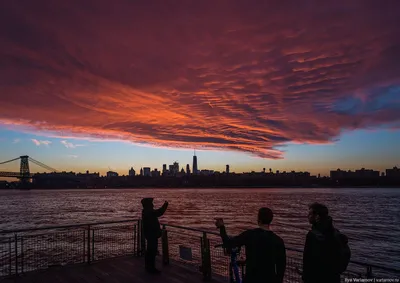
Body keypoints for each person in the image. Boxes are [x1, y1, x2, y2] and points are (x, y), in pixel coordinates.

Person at [215, 207, 286, 283]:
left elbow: (228, 243)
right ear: (270, 220)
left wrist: (222, 227)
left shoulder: (250, 235)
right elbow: (281, 268)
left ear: (259, 220)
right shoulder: (278, 241)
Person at [302, 203, 351, 283]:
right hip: (333, 277)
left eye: (310, 214)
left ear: (317, 216)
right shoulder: (336, 233)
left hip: (316, 278)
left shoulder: (312, 235)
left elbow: (307, 261)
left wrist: (305, 277)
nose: (308, 216)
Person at [141, 198, 168, 274]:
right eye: (151, 203)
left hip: (149, 235)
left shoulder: (145, 211)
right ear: (148, 205)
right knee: (152, 252)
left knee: (149, 251)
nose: (153, 205)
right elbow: (159, 212)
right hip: (152, 235)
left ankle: (148, 266)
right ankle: (151, 268)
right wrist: (165, 205)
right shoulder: (149, 212)